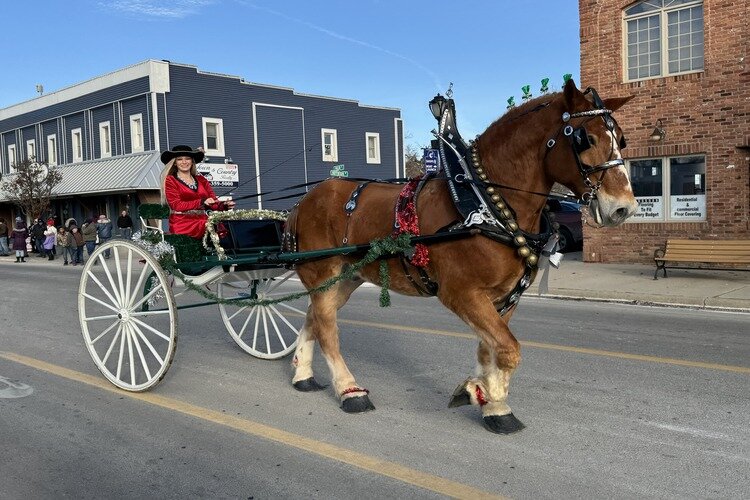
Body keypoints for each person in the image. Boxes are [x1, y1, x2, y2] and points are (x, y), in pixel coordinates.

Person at [160, 145, 234, 239]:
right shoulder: (171, 180)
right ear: (174, 163)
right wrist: (202, 201)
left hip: (203, 221)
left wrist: (224, 205)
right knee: (213, 226)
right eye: (180, 159)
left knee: (228, 226)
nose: (184, 162)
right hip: (183, 223)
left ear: (192, 161)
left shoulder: (201, 180)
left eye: (187, 159)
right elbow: (176, 205)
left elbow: (213, 202)